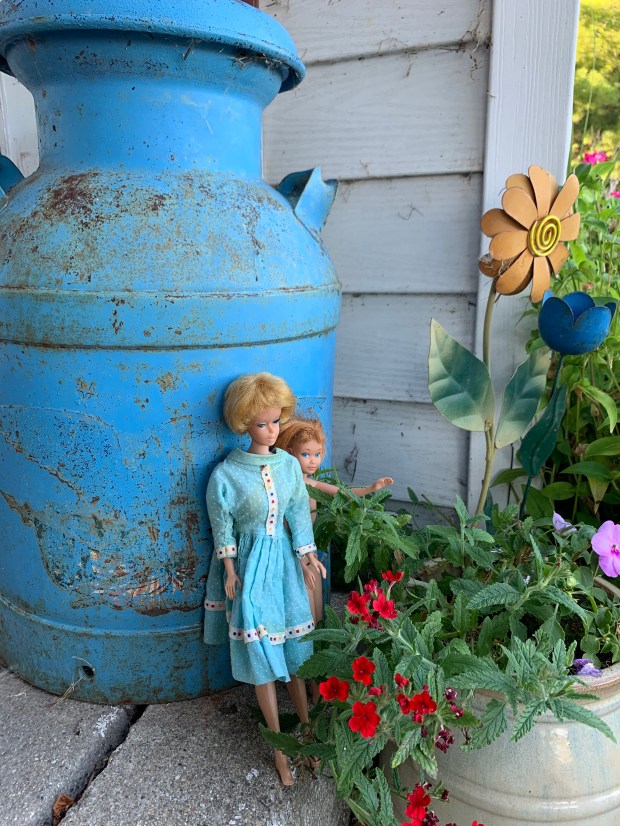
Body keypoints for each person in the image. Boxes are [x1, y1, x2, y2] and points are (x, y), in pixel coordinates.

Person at [203, 373, 326, 786]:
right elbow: (222, 527)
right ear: (244, 424)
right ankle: (279, 749)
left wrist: (307, 556)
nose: (272, 430)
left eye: (275, 421)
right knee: (260, 654)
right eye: (261, 423)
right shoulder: (226, 475)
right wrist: (230, 569)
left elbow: (297, 512)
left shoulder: (288, 465)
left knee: (295, 654)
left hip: (285, 567)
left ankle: (306, 732)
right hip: (250, 570)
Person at [275, 417, 393, 696]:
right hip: (294, 557)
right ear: (290, 453)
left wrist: (370, 490)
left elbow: (342, 493)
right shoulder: (287, 485)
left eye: (317, 454)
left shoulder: (310, 483)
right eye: (306, 454)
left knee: (317, 616)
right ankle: (303, 675)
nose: (313, 461)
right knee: (302, 617)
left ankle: (316, 678)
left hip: (312, 555)